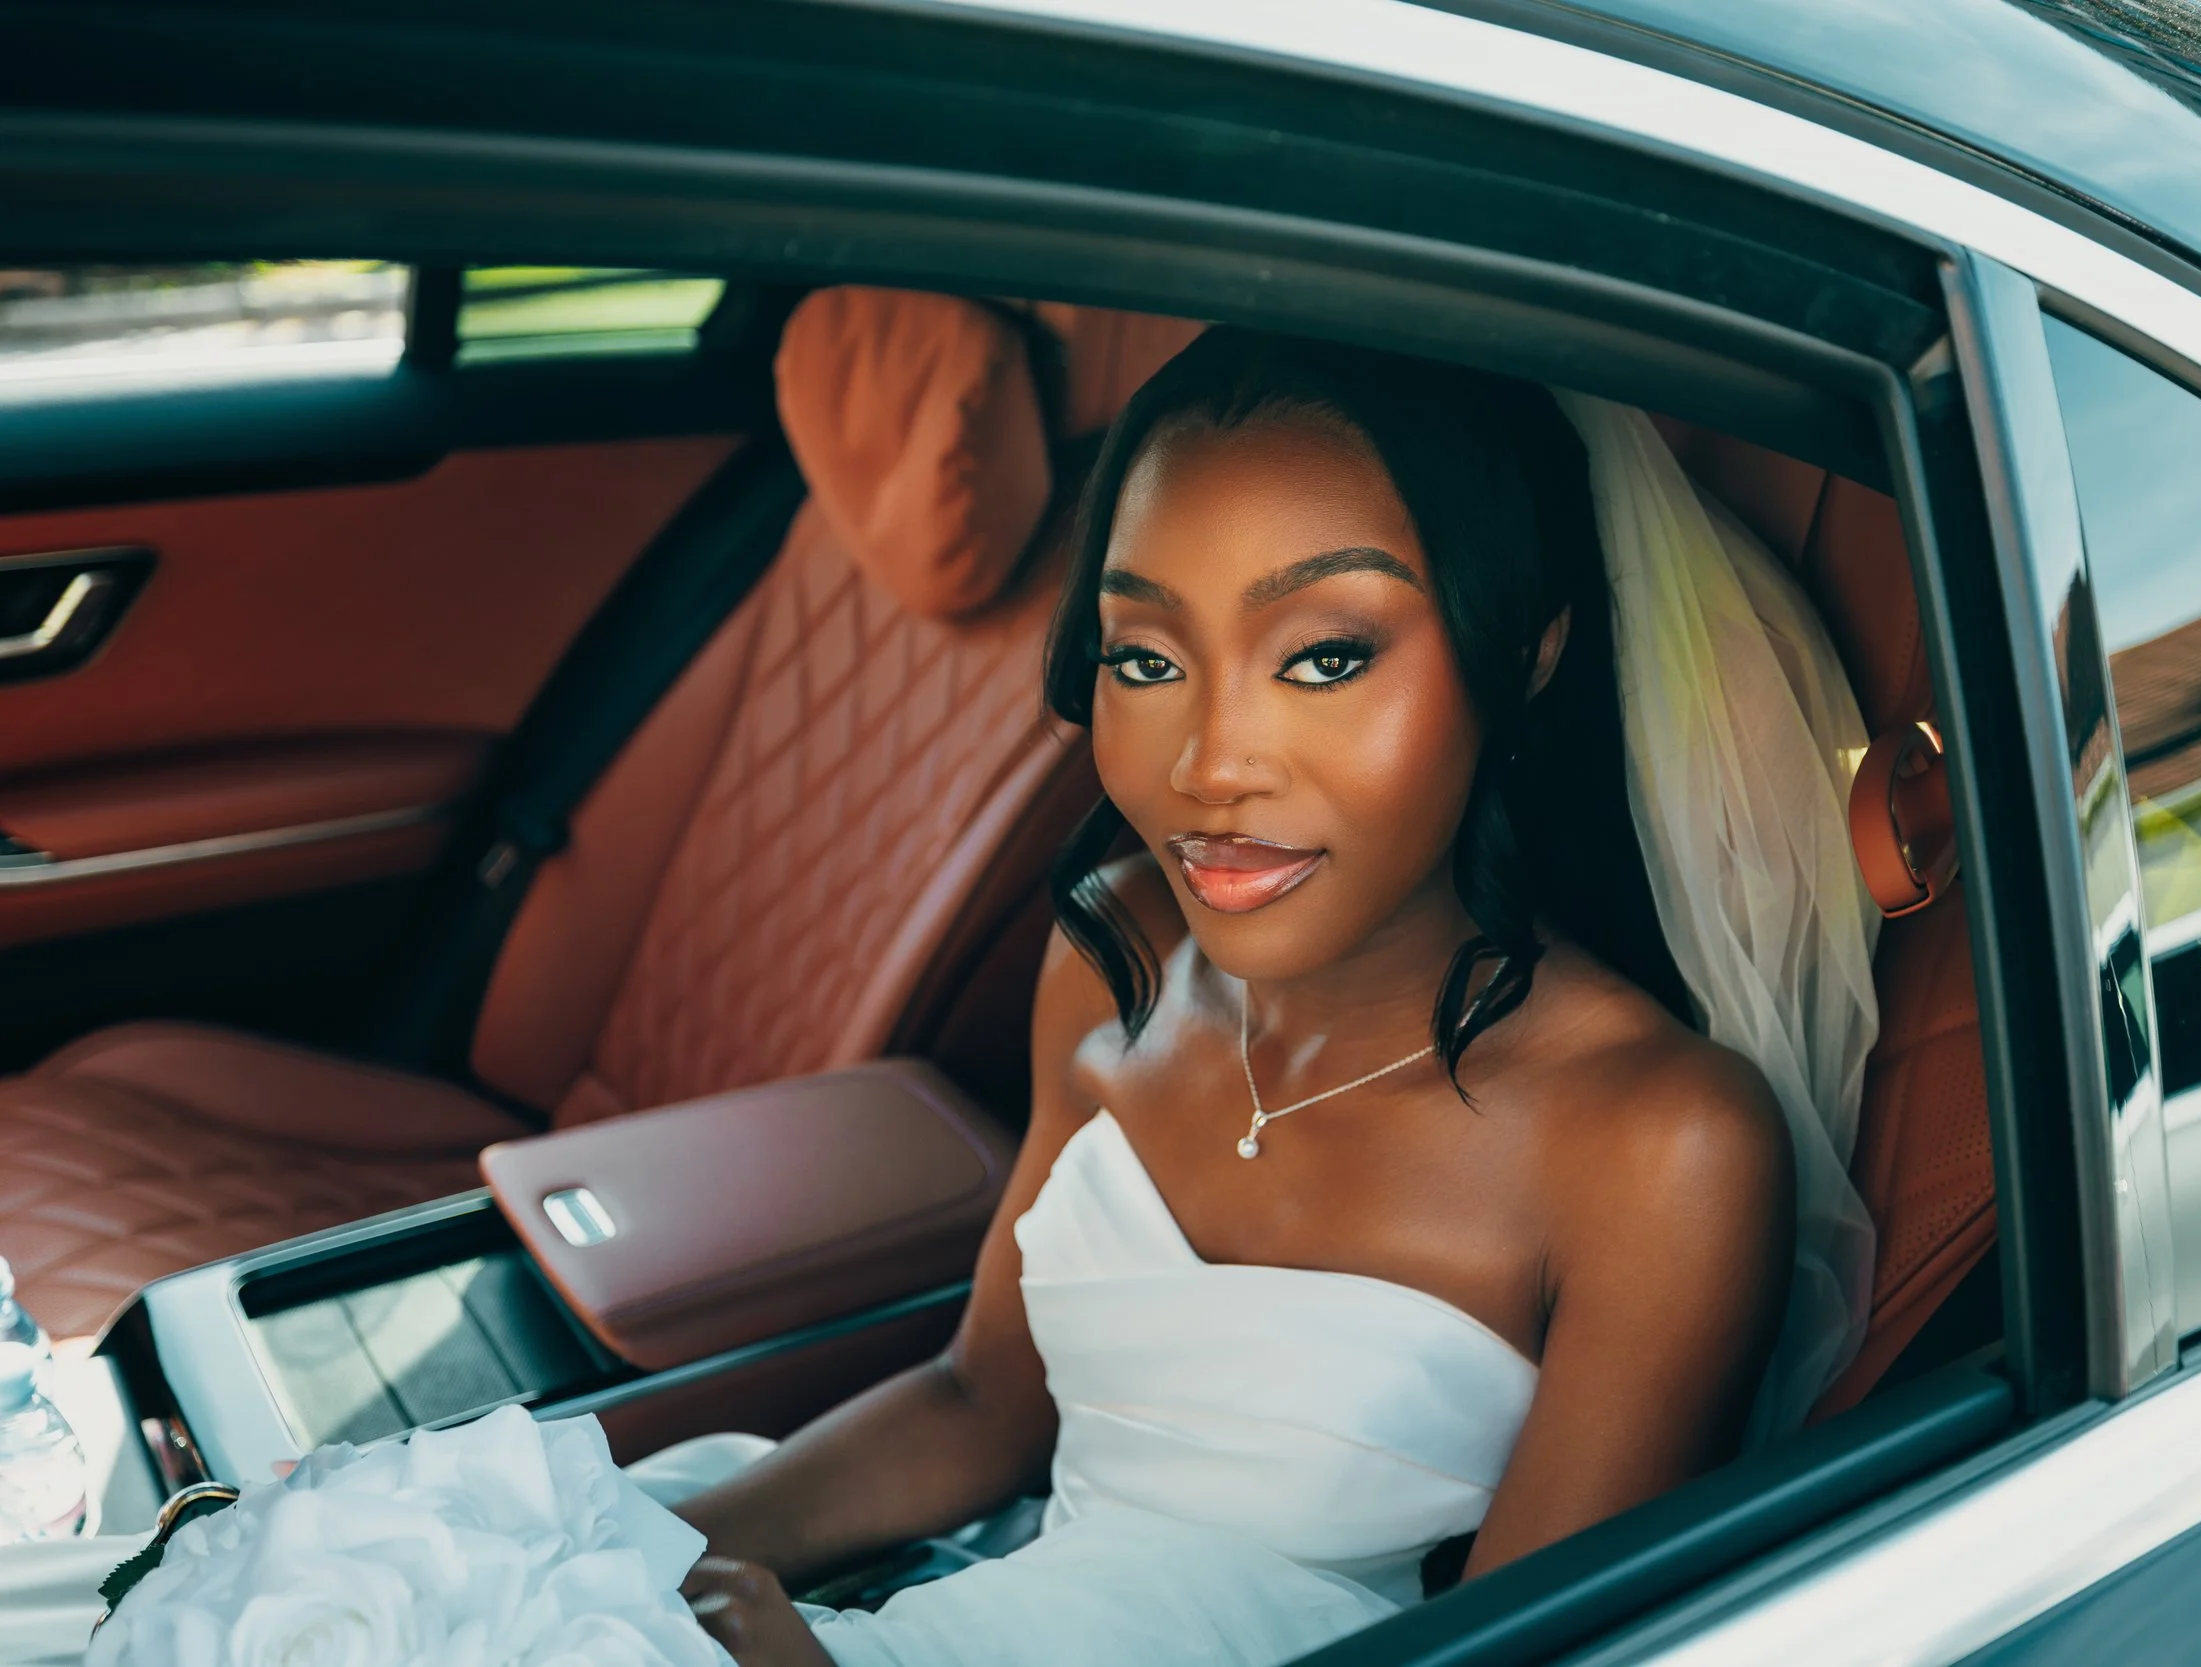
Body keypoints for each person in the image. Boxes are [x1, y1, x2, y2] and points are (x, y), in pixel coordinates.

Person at [667, 329, 1803, 1667]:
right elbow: (981, 1401)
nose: (1209, 767)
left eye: (1325, 656)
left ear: (1526, 656)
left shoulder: (1660, 1146)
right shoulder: (1110, 956)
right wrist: (640, 1554)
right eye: (1145, 657)